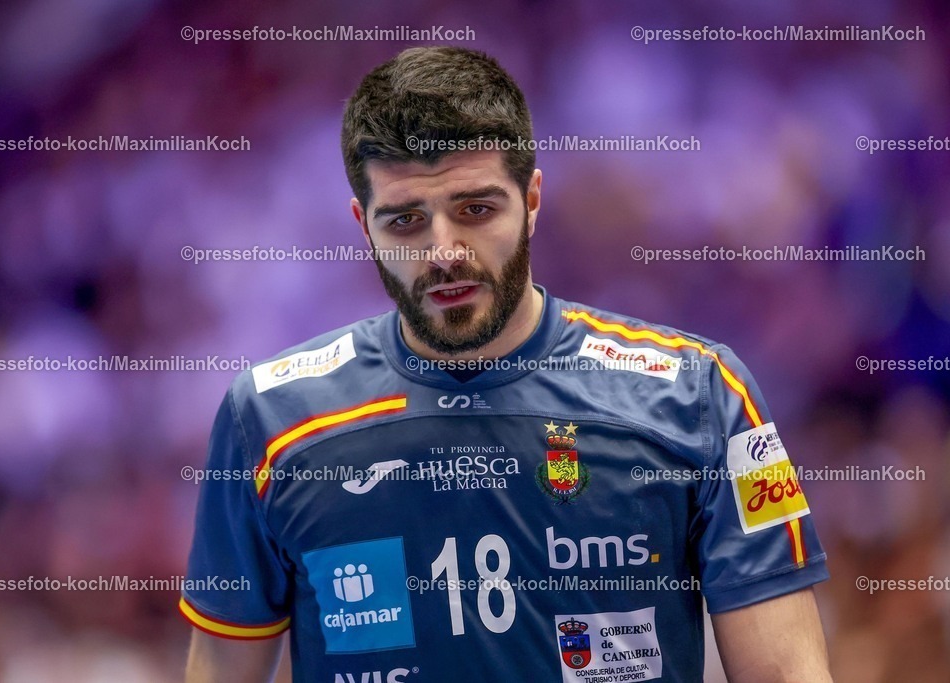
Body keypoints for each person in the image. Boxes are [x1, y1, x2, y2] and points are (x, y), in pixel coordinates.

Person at [180, 46, 831, 682]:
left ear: (534, 199)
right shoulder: (266, 417)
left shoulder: (707, 397)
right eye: (406, 221)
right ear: (363, 225)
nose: (445, 251)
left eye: (476, 210)